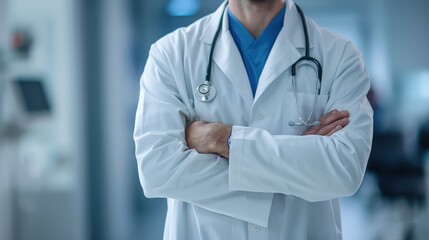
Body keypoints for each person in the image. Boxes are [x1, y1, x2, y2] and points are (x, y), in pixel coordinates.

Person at [134, 0, 373, 239]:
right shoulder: (170, 54)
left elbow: (344, 170)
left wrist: (222, 139)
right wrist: (299, 167)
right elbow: (157, 169)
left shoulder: (340, 56)